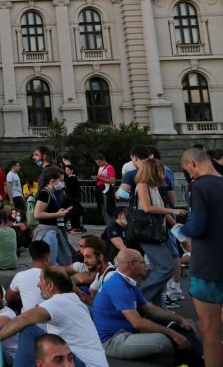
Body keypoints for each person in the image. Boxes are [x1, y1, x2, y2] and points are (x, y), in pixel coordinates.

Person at [92, 247, 202, 364]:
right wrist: (173, 334)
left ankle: (195, 359)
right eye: (143, 262)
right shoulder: (118, 285)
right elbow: (137, 322)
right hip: (113, 341)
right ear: (132, 264)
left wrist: (181, 319)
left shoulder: (126, 281)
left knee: (181, 327)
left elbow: (151, 308)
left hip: (124, 332)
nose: (146, 266)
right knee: (163, 341)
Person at [0, 267, 109, 367]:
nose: (38, 285)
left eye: (40, 280)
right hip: (83, 361)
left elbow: (24, 318)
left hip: (84, 364)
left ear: (50, 286)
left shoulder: (59, 301)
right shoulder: (71, 299)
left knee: (27, 328)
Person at [179, 147, 223, 367]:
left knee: (210, 332)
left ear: (192, 164)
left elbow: (196, 227)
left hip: (207, 267)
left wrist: (181, 229)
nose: (190, 175)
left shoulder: (199, 187)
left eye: (188, 170)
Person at [133, 158, 184, 307]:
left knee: (159, 269)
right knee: (166, 267)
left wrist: (175, 226)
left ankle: (158, 309)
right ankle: (141, 298)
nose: (163, 174)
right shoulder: (142, 185)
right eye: (160, 170)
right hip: (148, 233)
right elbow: (148, 208)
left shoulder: (153, 187)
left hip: (157, 232)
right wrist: (172, 210)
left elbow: (161, 210)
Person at [33, 166, 73, 266]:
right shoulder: (45, 193)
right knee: (50, 263)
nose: (62, 183)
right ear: (52, 181)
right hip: (47, 232)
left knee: (59, 260)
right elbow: (37, 214)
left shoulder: (51, 193)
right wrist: (57, 214)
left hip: (52, 230)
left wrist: (59, 212)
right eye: (61, 180)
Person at [94, 154, 116, 225]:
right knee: (103, 209)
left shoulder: (109, 167)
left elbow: (112, 180)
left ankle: (112, 226)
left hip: (107, 190)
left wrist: (100, 178)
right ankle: (108, 226)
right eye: (97, 163)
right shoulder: (100, 168)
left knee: (109, 209)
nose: (98, 164)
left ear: (103, 160)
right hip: (100, 190)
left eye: (99, 162)